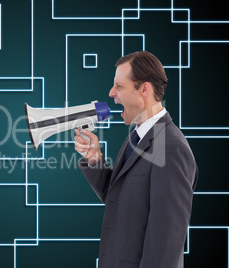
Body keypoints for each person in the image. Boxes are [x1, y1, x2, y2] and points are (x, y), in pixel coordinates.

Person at [75, 51, 198, 268]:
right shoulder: (138, 136)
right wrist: (95, 159)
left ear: (144, 89)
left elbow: (166, 243)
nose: (111, 92)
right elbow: (120, 200)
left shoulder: (171, 147)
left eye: (119, 86)